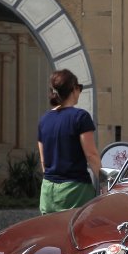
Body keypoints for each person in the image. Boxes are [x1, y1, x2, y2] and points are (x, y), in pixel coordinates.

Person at [37, 69, 103, 214]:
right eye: (79, 87)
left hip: (48, 191)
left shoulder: (44, 120)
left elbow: (43, 162)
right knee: (77, 227)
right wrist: (105, 183)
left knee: (49, 228)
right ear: (73, 89)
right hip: (75, 191)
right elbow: (91, 155)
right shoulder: (81, 117)